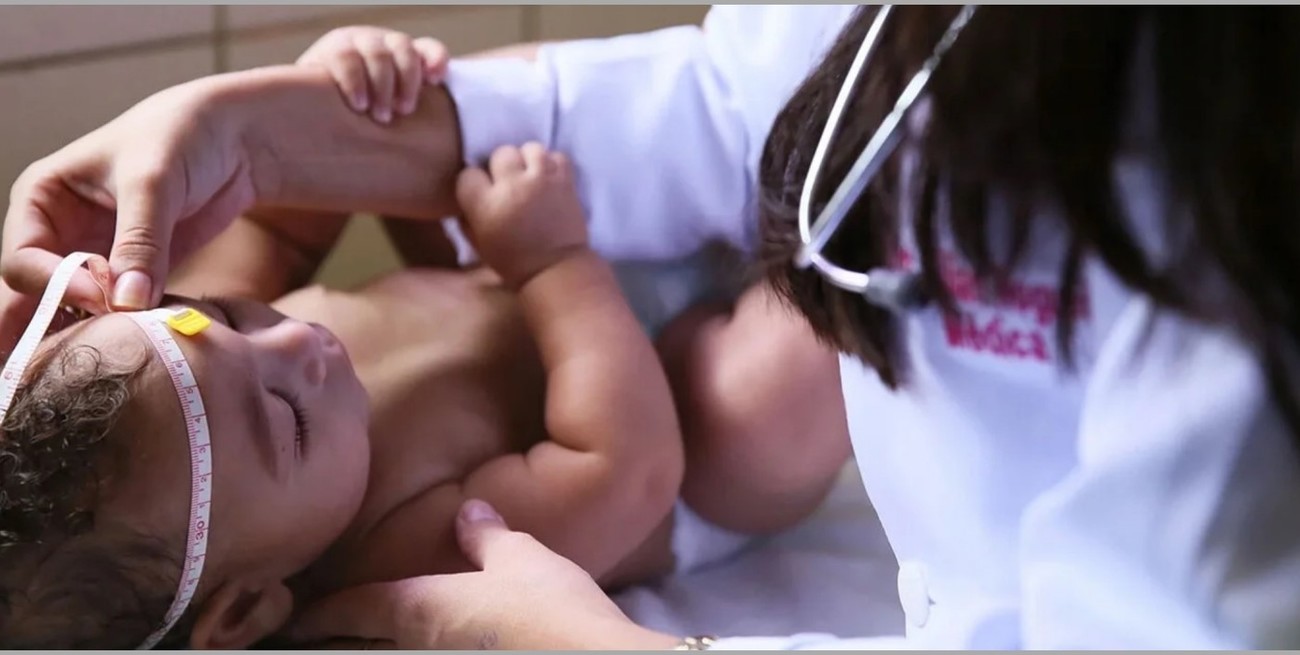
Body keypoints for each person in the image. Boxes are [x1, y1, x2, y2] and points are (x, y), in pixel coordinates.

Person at [5, 4, 1300, 650]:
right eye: (282, 413)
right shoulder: (396, 545)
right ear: (242, 611)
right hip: (670, 430)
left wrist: (317, 95)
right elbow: (619, 469)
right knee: (757, 404)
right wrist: (555, 262)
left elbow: (284, 218)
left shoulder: (237, 389)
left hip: (566, 285)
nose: (291, 340)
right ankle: (821, 292)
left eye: (225, 315)